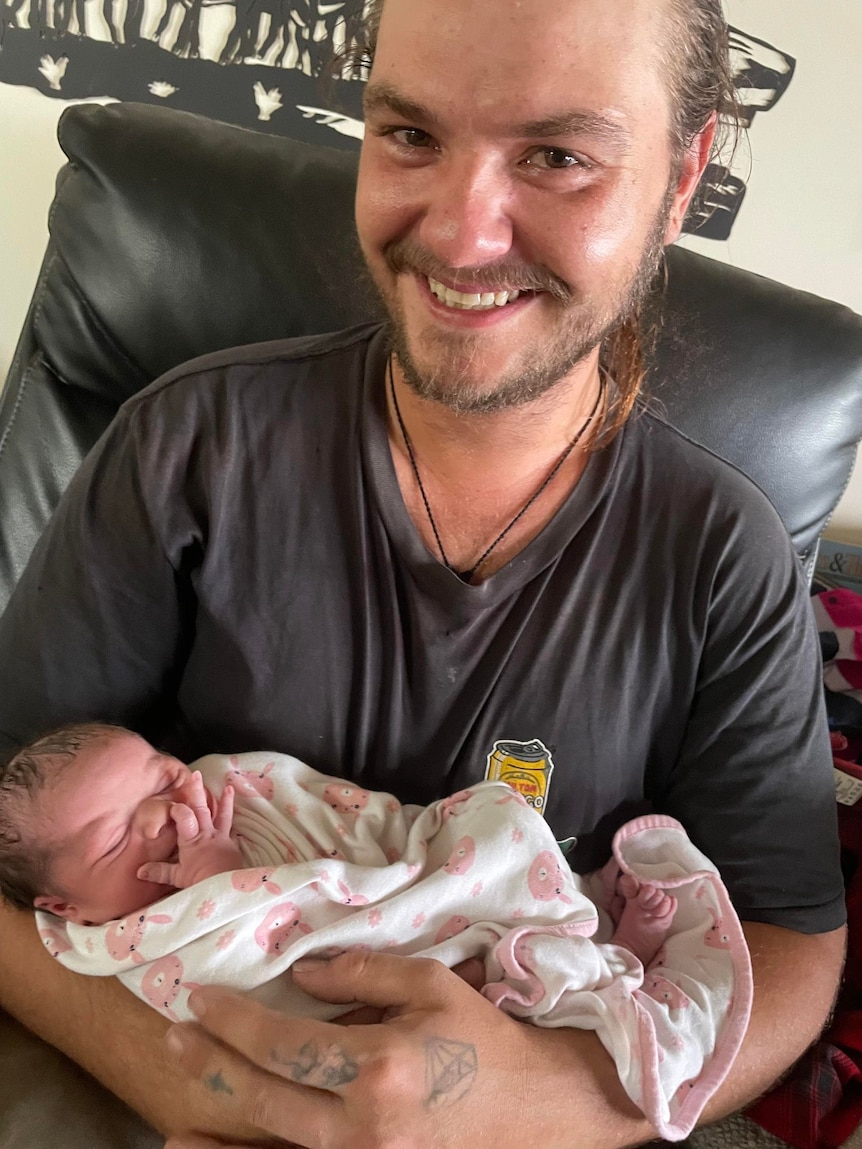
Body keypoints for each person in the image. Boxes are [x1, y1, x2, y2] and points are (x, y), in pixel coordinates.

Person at [0, 0, 846, 1146]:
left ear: (680, 174)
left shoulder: (717, 556)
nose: (458, 233)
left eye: (555, 156)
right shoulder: (191, 446)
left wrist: (552, 1107)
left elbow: (790, 936)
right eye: (408, 136)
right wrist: (175, 1067)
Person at [1, 722, 752, 1139]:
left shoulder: (230, 794)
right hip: (341, 1017)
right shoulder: (127, 939)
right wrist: (223, 888)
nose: (168, 814)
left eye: (165, 778)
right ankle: (605, 961)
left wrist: (232, 860)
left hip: (419, 935)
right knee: (510, 969)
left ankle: (605, 953)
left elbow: (332, 823)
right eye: (113, 842)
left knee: (491, 857)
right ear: (69, 909)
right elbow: (243, 950)